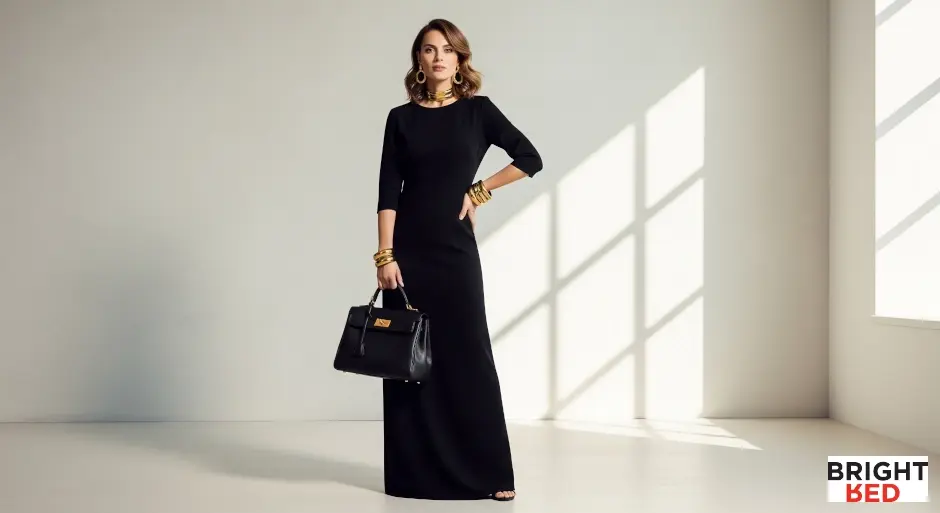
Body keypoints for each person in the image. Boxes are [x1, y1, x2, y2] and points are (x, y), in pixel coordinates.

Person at [372, 18, 542, 502]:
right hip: (408, 252)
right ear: (419, 62)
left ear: (460, 59)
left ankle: (491, 473)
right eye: (429, 50)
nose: (439, 57)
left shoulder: (478, 112)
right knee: (408, 359)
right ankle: (412, 474)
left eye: (447, 50)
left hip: (454, 250)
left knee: (469, 354)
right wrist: (385, 254)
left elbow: (530, 157)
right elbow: (388, 191)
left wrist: (483, 188)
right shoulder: (399, 119)